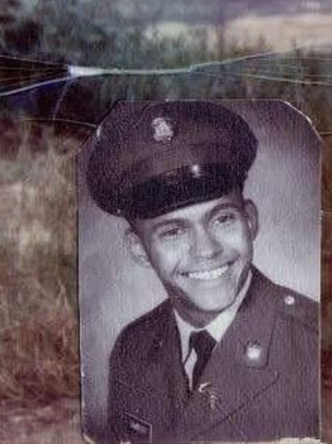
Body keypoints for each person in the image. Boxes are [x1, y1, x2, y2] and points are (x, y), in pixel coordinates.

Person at [84, 100, 319, 443]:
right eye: (173, 232)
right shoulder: (131, 348)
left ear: (249, 220)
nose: (206, 250)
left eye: (223, 218)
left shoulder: (313, 343)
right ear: (139, 249)